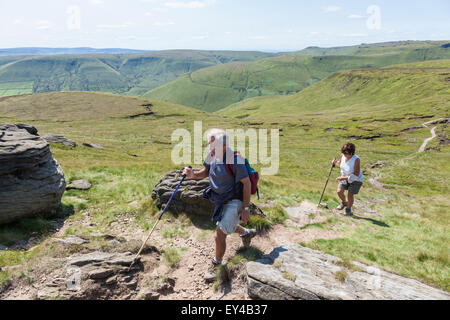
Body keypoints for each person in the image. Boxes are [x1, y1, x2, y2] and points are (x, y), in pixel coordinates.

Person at [182, 128, 257, 280]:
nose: (210, 149)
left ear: (224, 146)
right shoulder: (212, 155)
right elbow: (205, 171)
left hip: (235, 199)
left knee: (219, 234)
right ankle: (246, 233)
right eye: (209, 145)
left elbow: (247, 183)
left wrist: (245, 208)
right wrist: (192, 175)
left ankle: (216, 265)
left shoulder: (236, 160)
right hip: (220, 199)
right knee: (225, 224)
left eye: (213, 146)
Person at [332, 143, 363, 216]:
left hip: (356, 180)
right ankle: (344, 202)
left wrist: (343, 178)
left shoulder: (356, 160)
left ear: (352, 153)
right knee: (339, 192)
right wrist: (335, 162)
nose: (344, 155)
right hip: (344, 177)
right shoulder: (342, 155)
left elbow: (356, 174)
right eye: (343, 153)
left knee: (350, 194)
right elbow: (340, 164)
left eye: (346, 154)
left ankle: (348, 209)